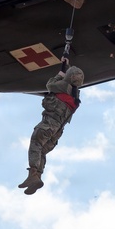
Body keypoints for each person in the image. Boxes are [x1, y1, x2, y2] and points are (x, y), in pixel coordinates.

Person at [18, 61, 85, 195]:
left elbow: (50, 84)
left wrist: (60, 73)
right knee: (42, 151)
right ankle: (37, 178)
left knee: (36, 144)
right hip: (57, 132)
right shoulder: (75, 96)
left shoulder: (62, 86)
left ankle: (33, 173)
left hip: (48, 125)